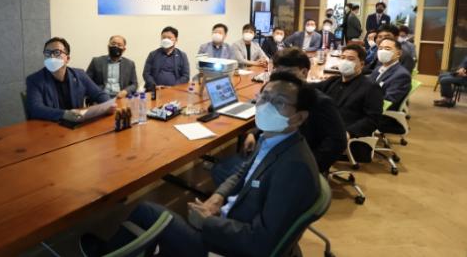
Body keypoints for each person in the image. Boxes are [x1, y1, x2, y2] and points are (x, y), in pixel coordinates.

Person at [80, 71, 320, 257]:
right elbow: (243, 172)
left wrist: (209, 223)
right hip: (231, 218)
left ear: (300, 117)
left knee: (146, 210)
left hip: (229, 248)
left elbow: (261, 244)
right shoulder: (273, 138)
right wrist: (217, 197)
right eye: (264, 97)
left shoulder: (294, 168)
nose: (265, 105)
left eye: (279, 102)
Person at [212, 48, 346, 180]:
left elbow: (337, 142)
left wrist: (307, 168)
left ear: (304, 72)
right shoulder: (274, 92)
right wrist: (254, 133)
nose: (279, 77)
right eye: (276, 70)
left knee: (221, 170)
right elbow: (272, 119)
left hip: (289, 162)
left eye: (286, 72)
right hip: (269, 151)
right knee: (224, 169)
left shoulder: (319, 102)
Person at [26, 37, 111, 121]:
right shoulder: (34, 79)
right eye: (47, 53)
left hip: (76, 123)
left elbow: (99, 94)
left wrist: (108, 105)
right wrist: (64, 114)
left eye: (57, 52)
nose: (51, 56)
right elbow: (35, 108)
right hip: (51, 125)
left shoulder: (79, 75)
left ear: (67, 58)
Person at [316, 45, 383, 138]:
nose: (345, 61)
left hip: (343, 135)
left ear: (361, 64)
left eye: (350, 59)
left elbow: (373, 119)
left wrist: (349, 132)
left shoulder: (371, 87)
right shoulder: (333, 80)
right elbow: (310, 88)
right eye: (342, 58)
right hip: (321, 127)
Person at [369, 38, 411, 111]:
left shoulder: (401, 75)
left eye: (387, 49)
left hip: (380, 111)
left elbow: (389, 99)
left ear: (399, 53)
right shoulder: (378, 68)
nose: (382, 51)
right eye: (380, 48)